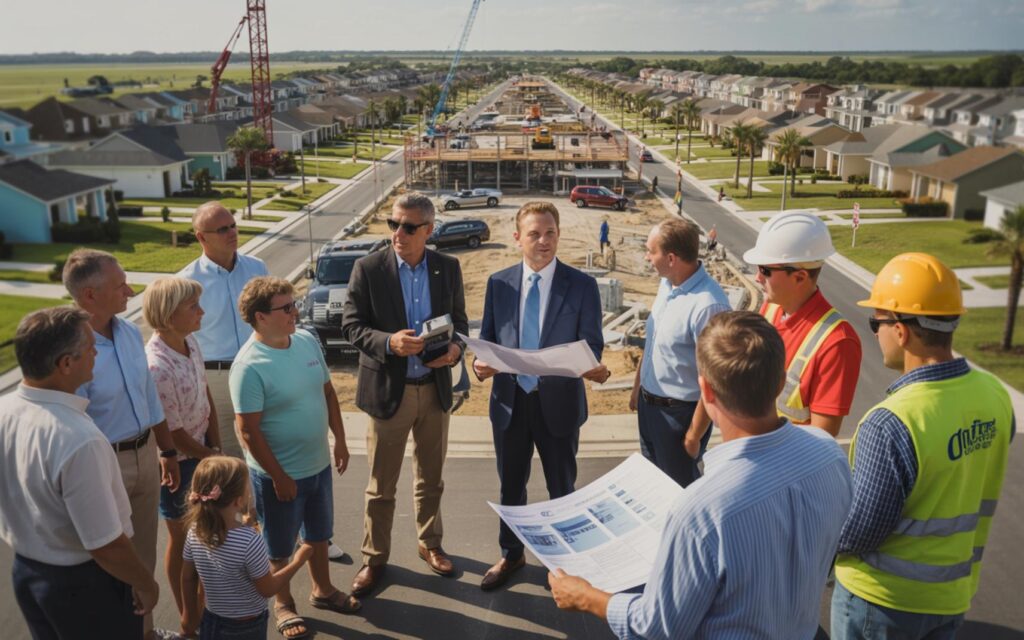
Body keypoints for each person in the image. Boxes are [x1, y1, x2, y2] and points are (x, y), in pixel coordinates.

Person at [549, 311, 853, 639]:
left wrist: (586, 597)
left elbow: (656, 629)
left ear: (706, 392)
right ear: (780, 382)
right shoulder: (830, 455)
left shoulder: (700, 510)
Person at [832, 253, 1014, 640]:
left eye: (876, 322)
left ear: (901, 331)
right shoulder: (995, 396)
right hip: (950, 598)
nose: (875, 333)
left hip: (881, 602)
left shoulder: (890, 423)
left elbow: (859, 533)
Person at [0, 307, 160, 640]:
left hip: (28, 572)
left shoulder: (6, 410)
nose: (94, 354)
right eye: (91, 347)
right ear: (66, 364)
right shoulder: (78, 439)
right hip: (87, 587)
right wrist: (146, 583)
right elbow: (106, 546)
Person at [474, 201, 609, 591]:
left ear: (559, 235)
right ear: (517, 238)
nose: (543, 241)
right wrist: (480, 366)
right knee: (511, 487)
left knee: (561, 489)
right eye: (534, 233)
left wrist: (590, 364)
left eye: (550, 232)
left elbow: (593, 345)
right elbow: (489, 340)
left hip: (559, 405)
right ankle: (511, 554)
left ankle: (562, 565)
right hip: (510, 403)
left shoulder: (582, 285)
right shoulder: (498, 283)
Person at [341, 192, 469, 597]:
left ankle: (430, 544)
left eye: (408, 227)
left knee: (431, 479)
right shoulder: (368, 268)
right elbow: (351, 325)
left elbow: (461, 323)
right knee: (381, 486)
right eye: (393, 224)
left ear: (428, 230)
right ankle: (374, 558)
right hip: (388, 393)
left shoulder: (448, 268)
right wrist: (388, 342)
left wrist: (453, 351)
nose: (398, 233)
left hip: (434, 392)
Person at [231, 276, 359, 638]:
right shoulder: (249, 365)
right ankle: (283, 603)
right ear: (260, 317)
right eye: (286, 308)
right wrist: (278, 476)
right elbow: (248, 432)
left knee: (319, 534)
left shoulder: (304, 340)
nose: (295, 312)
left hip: (317, 464)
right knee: (278, 545)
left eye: (294, 304)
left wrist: (340, 440)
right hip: (279, 475)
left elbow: (329, 393)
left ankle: (323, 589)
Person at [64, 249, 180, 640]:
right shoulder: (67, 350)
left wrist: (166, 451)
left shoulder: (129, 332)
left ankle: (143, 633)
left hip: (146, 454)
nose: (130, 291)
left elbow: (149, 399)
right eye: (120, 286)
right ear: (90, 295)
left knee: (143, 554)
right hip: (102, 466)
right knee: (107, 561)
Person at [143, 277, 222, 629]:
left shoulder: (190, 341)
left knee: (206, 537)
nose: (201, 311)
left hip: (205, 453)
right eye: (193, 306)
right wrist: (209, 455)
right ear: (167, 313)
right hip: (180, 463)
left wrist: (216, 447)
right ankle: (187, 615)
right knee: (183, 538)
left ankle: (205, 606)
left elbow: (206, 398)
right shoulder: (157, 366)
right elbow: (171, 430)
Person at [628, 220, 730, 487]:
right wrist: (639, 387)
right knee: (654, 489)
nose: (647, 257)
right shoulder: (668, 284)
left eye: (651, 251)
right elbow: (654, 340)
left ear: (671, 258)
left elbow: (715, 380)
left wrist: (694, 436)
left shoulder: (709, 306)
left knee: (679, 492)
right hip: (650, 409)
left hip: (679, 419)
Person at [742, 211, 862, 436]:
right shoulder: (772, 307)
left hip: (790, 467)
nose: (757, 278)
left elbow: (822, 438)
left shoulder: (837, 342)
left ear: (799, 277)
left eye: (765, 270)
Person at [180, 456, 315, 640]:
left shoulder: (195, 531)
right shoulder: (250, 541)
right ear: (238, 501)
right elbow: (267, 589)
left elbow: (188, 577)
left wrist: (189, 615)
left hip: (211, 620)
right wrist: (298, 561)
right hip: (246, 626)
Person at [178, 201, 268, 458]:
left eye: (233, 225)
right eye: (222, 229)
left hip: (258, 369)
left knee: (267, 447)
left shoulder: (257, 269)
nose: (232, 233)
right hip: (215, 379)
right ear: (201, 237)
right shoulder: (186, 282)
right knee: (229, 457)